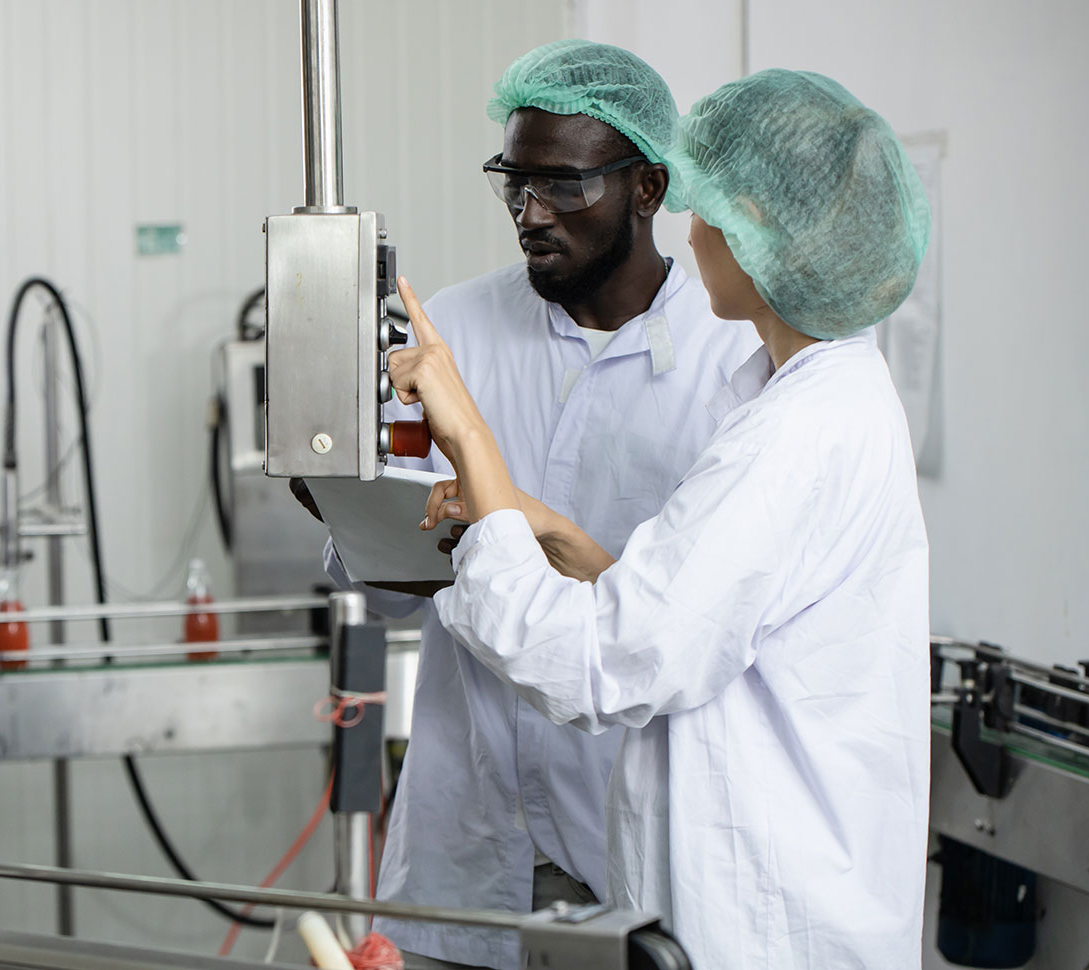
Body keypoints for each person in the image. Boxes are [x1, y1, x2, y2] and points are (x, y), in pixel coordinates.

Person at [386, 68, 933, 969]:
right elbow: (691, 616)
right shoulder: (816, 402)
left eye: (710, 209)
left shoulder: (796, 439)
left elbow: (605, 663)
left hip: (762, 920)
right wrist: (543, 527)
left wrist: (470, 437)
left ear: (762, 233)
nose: (693, 229)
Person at [295, 41, 758, 970]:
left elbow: (692, 629)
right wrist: (357, 507)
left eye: (565, 187)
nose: (531, 214)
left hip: (634, 844)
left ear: (648, 189)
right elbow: (387, 596)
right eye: (514, 184)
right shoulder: (453, 332)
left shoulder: (733, 364)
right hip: (464, 844)